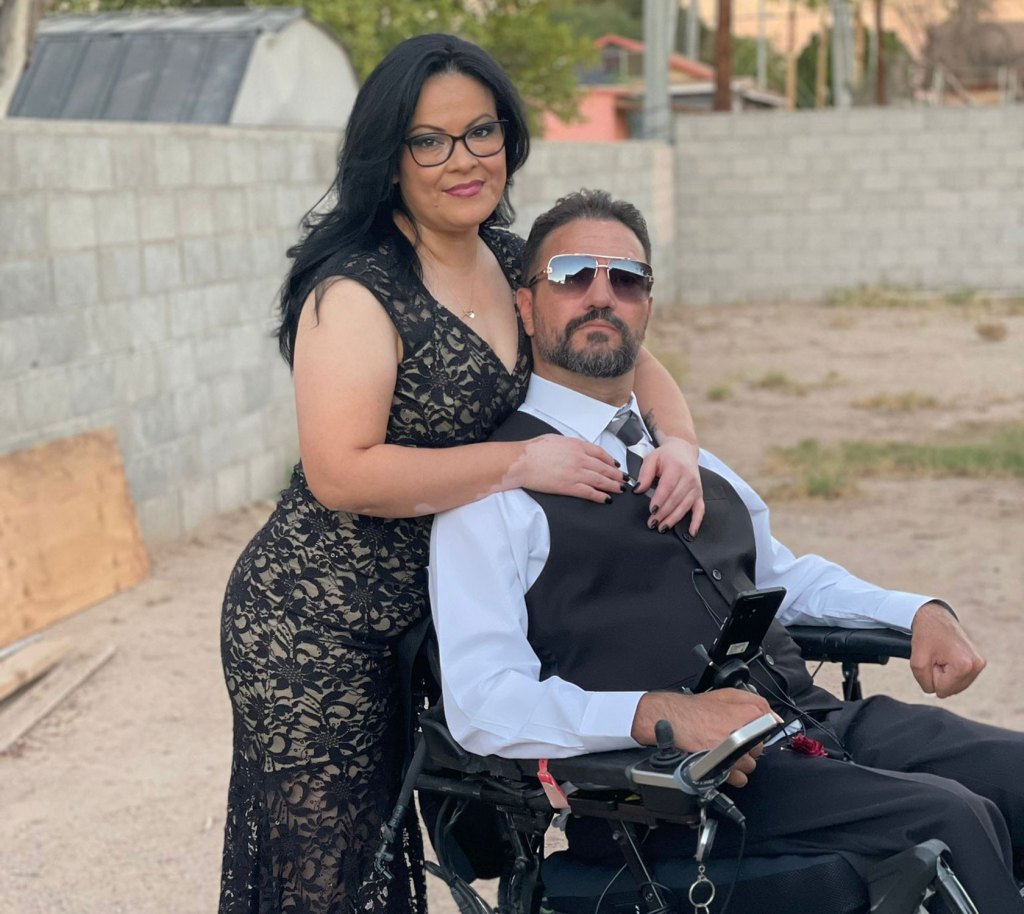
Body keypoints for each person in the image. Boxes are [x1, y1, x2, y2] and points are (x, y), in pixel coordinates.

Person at [218, 36, 708, 914]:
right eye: (429, 140)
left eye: (480, 132)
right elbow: (341, 472)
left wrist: (680, 446)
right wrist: (520, 461)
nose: (462, 160)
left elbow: (637, 361)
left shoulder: (518, 260)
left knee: (411, 857)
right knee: (329, 876)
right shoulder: (357, 292)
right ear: (390, 157)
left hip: (438, 618)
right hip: (317, 627)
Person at [429, 188, 1024, 910]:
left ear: (647, 304)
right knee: (949, 816)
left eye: (626, 279)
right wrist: (658, 714)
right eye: (572, 275)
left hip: (807, 724)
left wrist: (919, 613)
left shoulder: (689, 462)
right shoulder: (495, 491)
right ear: (526, 305)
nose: (600, 295)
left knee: (1012, 773)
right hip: (681, 789)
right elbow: (483, 702)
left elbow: (786, 578)